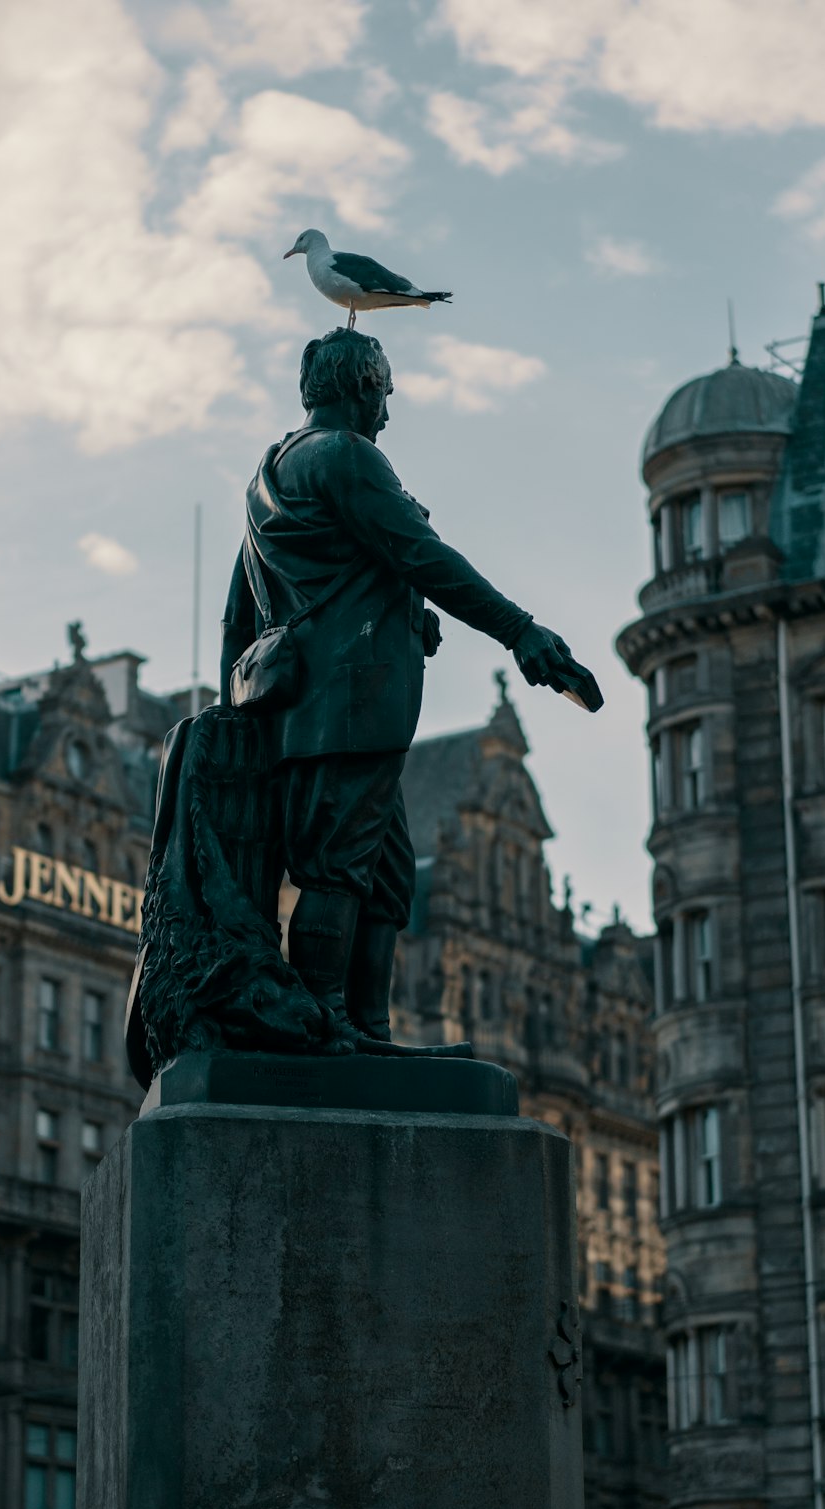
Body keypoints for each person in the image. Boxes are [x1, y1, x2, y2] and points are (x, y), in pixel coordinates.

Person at [219, 327, 579, 1049]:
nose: (388, 410)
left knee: (385, 881)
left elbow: (242, 609)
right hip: (345, 705)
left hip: (319, 706)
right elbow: (424, 557)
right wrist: (520, 630)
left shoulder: (270, 474)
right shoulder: (349, 457)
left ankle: (367, 1026)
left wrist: (236, 712)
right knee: (334, 871)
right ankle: (322, 1024)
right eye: (384, 392)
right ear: (359, 388)